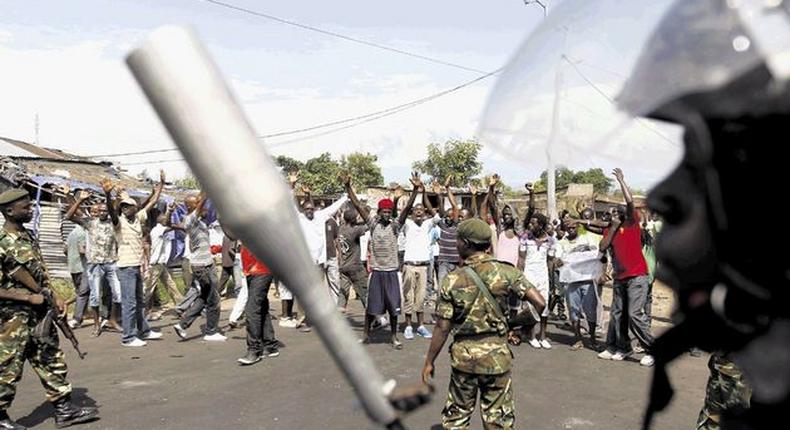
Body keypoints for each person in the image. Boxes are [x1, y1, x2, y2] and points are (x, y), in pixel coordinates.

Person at [421, 218, 545, 429]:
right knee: (497, 420)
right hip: (497, 358)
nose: (456, 244)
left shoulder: (452, 279)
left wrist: (429, 360)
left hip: (464, 359)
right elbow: (540, 304)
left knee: (457, 417)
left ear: (466, 244)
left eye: (458, 240)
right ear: (487, 244)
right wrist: (516, 326)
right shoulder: (507, 272)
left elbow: (443, 326)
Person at [0, 188, 99, 429]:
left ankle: (64, 410)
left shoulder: (28, 236)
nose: (31, 210)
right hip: (13, 318)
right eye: (26, 207)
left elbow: (41, 274)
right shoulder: (2, 243)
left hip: (40, 313)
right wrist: (26, 297)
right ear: (9, 211)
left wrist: (55, 297)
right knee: (8, 366)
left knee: (50, 358)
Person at [344, 173, 418, 348]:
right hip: (376, 272)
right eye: (383, 211)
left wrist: (415, 190)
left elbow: (407, 209)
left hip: (392, 272)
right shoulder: (372, 224)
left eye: (388, 211)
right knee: (371, 307)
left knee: (393, 308)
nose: (386, 214)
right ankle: (366, 335)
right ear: (378, 212)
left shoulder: (395, 226)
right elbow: (357, 205)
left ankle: (393, 337)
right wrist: (348, 187)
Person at [596, 169, 654, 367]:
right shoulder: (612, 230)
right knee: (617, 314)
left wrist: (621, 181)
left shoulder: (631, 224)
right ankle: (623, 347)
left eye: (614, 212)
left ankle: (652, 349)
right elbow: (603, 247)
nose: (610, 214)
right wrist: (610, 228)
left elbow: (630, 203)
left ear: (622, 215)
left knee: (634, 314)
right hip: (620, 277)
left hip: (637, 276)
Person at [109, 173, 165, 347]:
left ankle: (144, 331)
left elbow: (153, 202)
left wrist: (161, 184)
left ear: (135, 208)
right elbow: (112, 211)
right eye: (123, 207)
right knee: (129, 303)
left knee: (139, 302)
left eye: (128, 206)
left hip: (136, 266)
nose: (125, 208)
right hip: (125, 268)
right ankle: (128, 337)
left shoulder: (138, 218)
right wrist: (108, 196)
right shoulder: (119, 223)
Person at [65, 189, 122, 336]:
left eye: (105, 210)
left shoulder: (114, 223)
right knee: (95, 296)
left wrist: (109, 195)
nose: (102, 212)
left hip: (110, 263)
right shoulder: (90, 223)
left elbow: (113, 209)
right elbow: (69, 216)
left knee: (117, 294)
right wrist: (80, 200)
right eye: (100, 210)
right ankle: (96, 325)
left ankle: (112, 320)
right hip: (94, 264)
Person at [171, 192, 226, 342]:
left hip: (206, 263)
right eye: (197, 203)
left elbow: (201, 202)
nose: (203, 205)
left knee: (204, 296)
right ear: (191, 206)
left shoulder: (199, 221)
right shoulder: (191, 219)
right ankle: (211, 331)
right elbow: (202, 202)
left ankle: (183, 324)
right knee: (213, 299)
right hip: (202, 266)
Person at [555, 222, 602, 350]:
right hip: (571, 283)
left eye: (573, 227)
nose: (571, 229)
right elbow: (557, 260)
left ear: (578, 228)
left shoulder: (587, 239)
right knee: (574, 312)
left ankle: (592, 339)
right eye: (568, 227)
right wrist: (558, 262)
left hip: (587, 280)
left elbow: (596, 254)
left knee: (591, 311)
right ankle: (578, 339)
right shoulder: (561, 244)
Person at [517, 210, 556, 350]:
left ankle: (543, 336)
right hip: (529, 275)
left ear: (541, 225)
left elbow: (551, 261)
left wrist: (552, 281)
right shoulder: (525, 238)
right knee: (531, 306)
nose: (530, 226)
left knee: (544, 305)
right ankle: (532, 336)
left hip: (543, 275)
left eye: (533, 223)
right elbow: (521, 259)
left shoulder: (550, 240)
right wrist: (519, 276)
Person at [235, 243, 279, 365]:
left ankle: (254, 350)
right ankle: (270, 345)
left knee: (251, 309)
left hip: (262, 269)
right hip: (251, 270)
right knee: (262, 307)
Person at [143, 203, 182, 318]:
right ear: (157, 218)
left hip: (161, 264)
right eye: (162, 216)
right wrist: (169, 212)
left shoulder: (160, 228)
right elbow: (170, 225)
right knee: (148, 290)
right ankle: (140, 312)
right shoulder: (157, 230)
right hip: (155, 265)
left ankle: (181, 307)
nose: (164, 218)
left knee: (171, 286)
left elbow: (169, 224)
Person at [337, 204, 369, 311]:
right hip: (355, 267)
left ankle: (339, 314)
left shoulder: (341, 229)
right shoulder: (355, 231)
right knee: (365, 292)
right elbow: (368, 225)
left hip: (343, 266)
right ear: (353, 220)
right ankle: (375, 318)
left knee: (343, 293)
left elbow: (356, 223)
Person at [64, 223, 90, 329]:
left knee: (81, 291)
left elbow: (64, 250)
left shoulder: (71, 233)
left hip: (73, 266)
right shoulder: (82, 234)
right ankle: (77, 319)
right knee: (83, 293)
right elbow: (82, 250)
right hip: (82, 267)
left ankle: (84, 313)